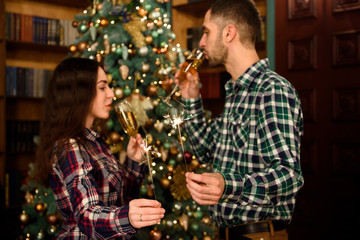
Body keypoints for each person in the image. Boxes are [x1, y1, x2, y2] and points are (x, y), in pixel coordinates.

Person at [176, 0, 304, 239]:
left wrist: (228, 185)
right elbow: (204, 151)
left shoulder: (271, 90)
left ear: (229, 32)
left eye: (206, 31)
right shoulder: (237, 91)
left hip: (258, 235)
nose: (201, 42)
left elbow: (289, 176)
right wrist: (191, 97)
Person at [32, 57, 165, 239]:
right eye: (102, 87)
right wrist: (129, 217)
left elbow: (119, 200)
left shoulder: (94, 141)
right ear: (80, 93)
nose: (111, 94)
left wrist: (134, 161)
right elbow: (87, 217)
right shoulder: (70, 146)